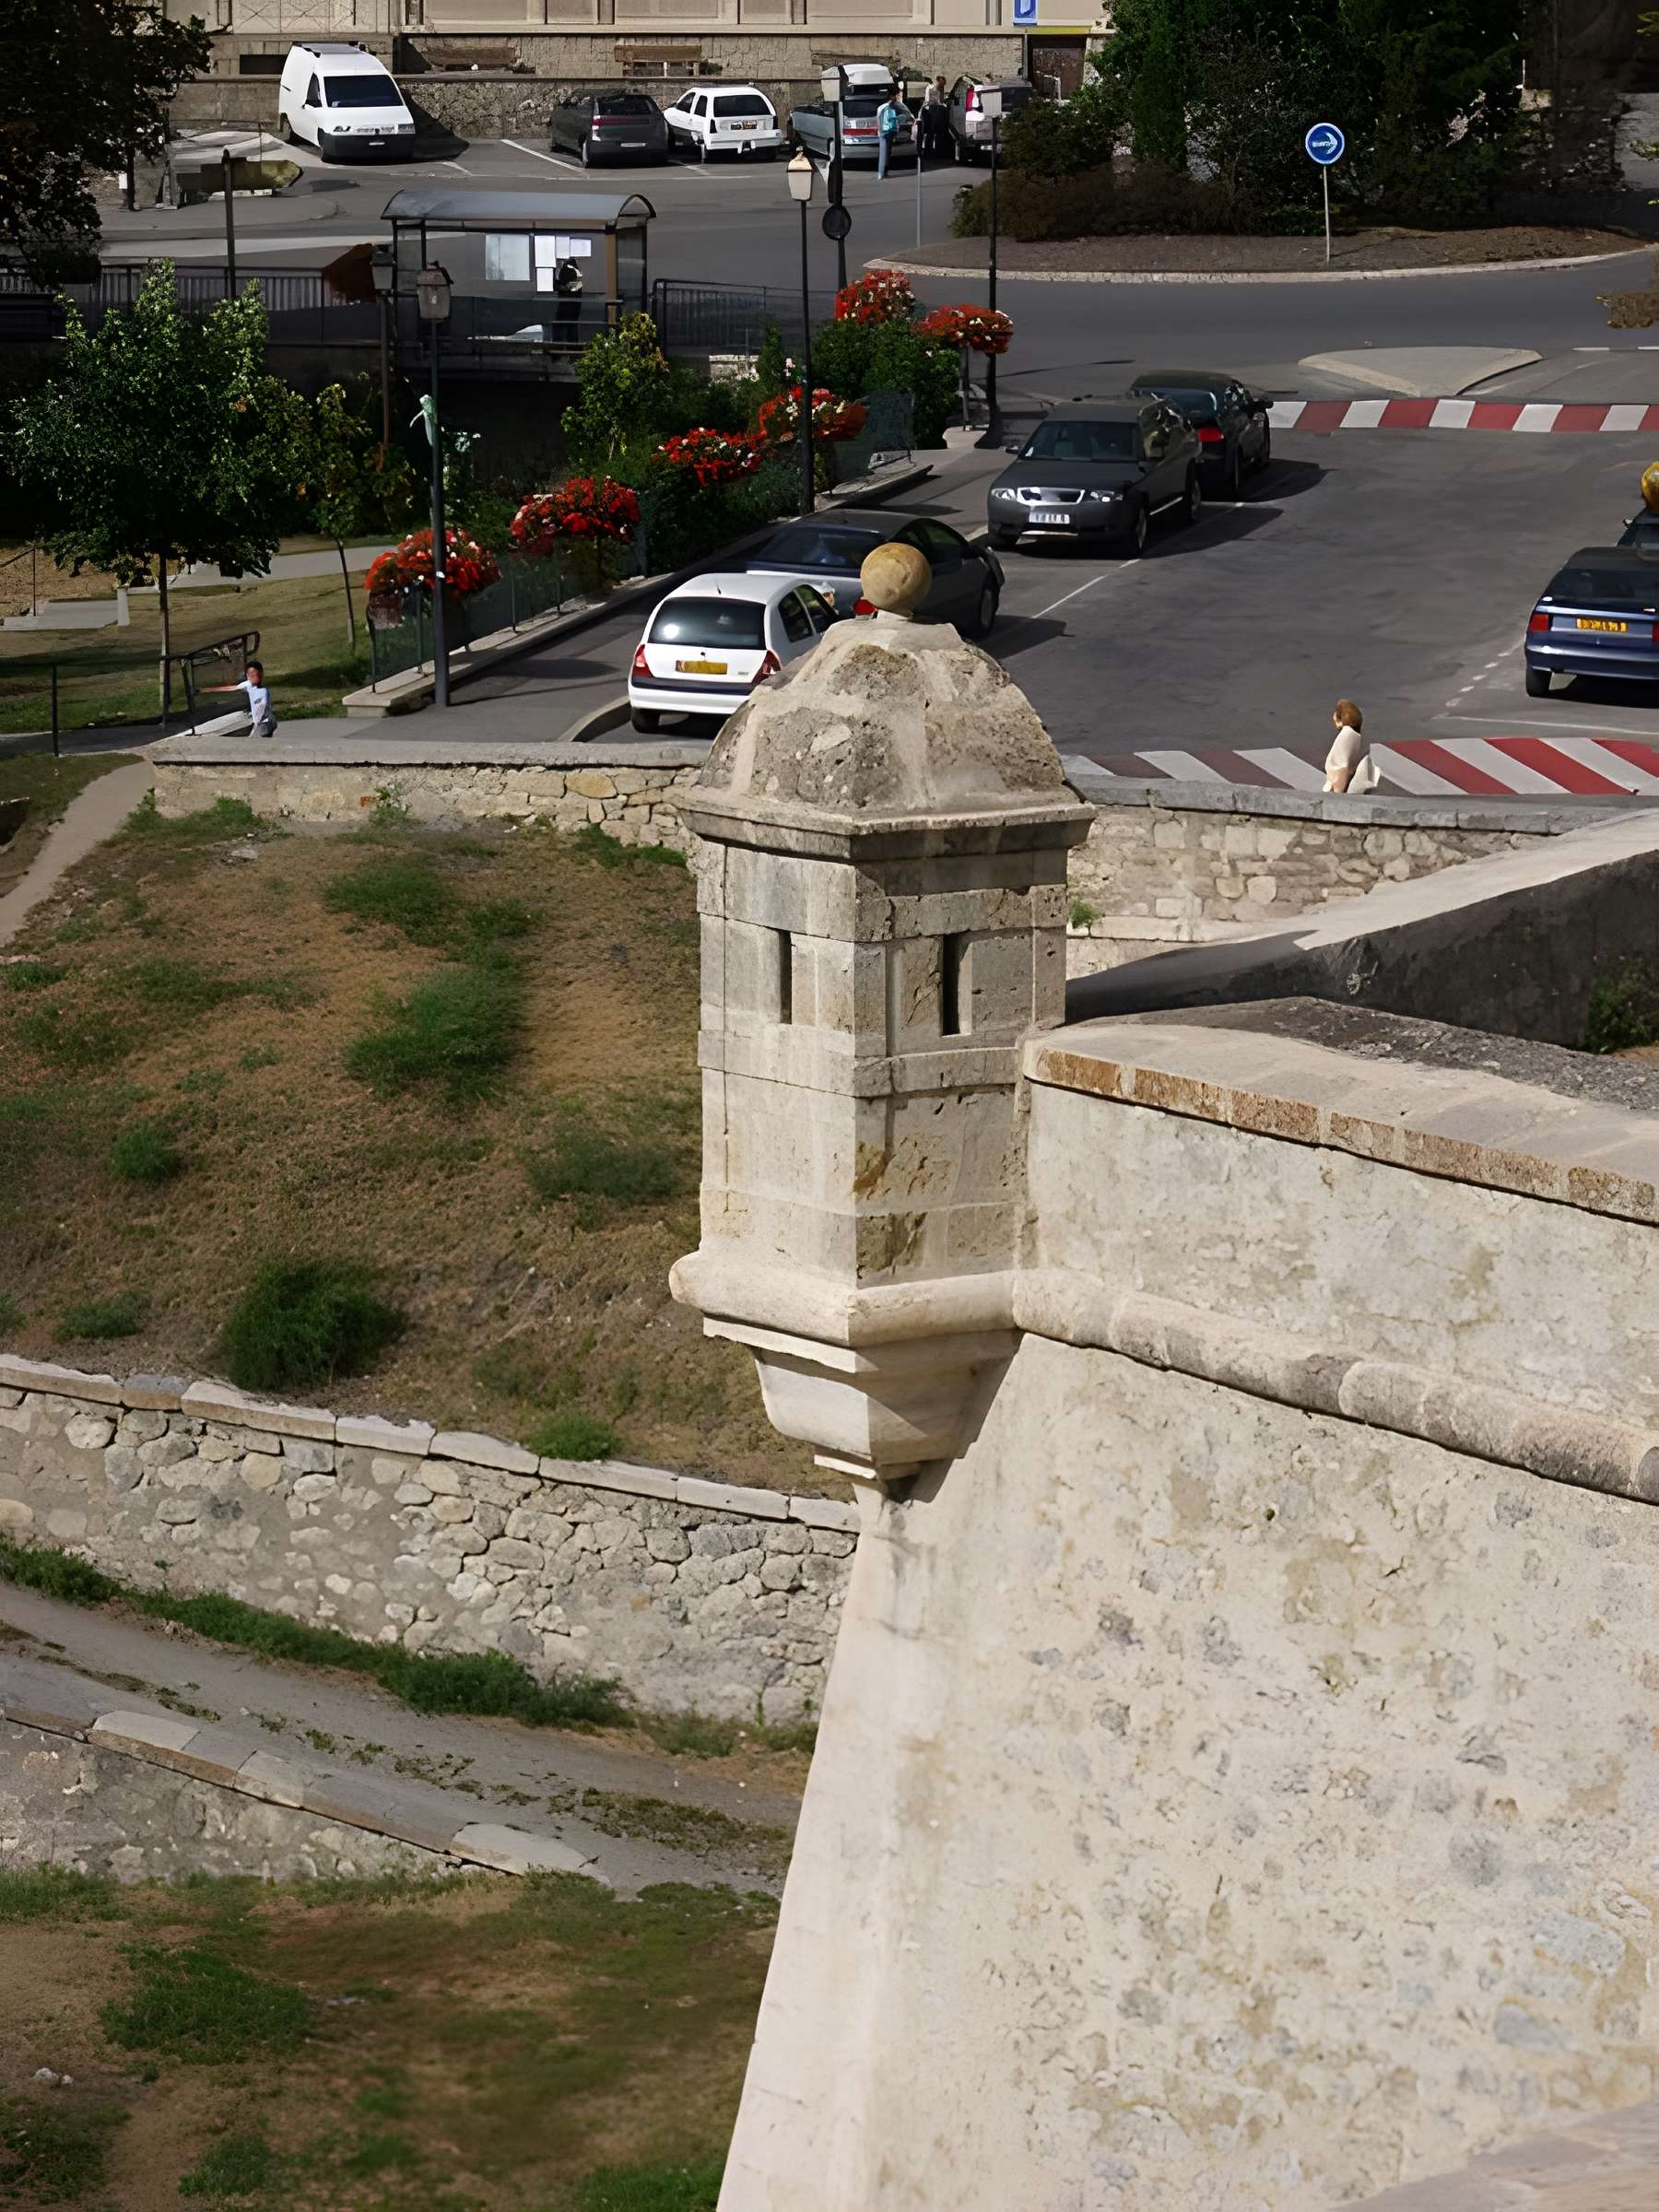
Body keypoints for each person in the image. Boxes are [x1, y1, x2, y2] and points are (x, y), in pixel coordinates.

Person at [204, 658, 276, 739]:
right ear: (248, 676)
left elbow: (261, 709)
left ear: (261, 674)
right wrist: (208, 690)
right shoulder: (248, 684)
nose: (255, 677)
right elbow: (232, 688)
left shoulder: (263, 692)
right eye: (252, 675)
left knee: (263, 738)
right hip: (260, 722)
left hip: (266, 722)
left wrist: (256, 725)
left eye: (257, 674)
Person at [1324, 698, 1379, 794]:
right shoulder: (1355, 735)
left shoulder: (1346, 736)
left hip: (1338, 786)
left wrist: (1337, 789)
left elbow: (1342, 765)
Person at [876, 89, 909, 180]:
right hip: (889, 131)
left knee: (883, 151)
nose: (895, 98)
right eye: (894, 96)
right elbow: (897, 119)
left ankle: (881, 172)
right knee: (887, 151)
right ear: (890, 97)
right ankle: (884, 171)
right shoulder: (891, 107)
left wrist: (879, 131)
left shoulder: (880, 108)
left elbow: (878, 119)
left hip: (883, 131)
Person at [923, 76, 947, 159]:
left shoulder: (940, 87)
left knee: (937, 133)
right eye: (942, 82)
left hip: (935, 110)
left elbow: (941, 100)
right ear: (938, 81)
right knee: (931, 132)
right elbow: (931, 101)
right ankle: (930, 151)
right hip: (933, 110)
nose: (943, 85)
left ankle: (935, 151)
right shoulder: (932, 88)